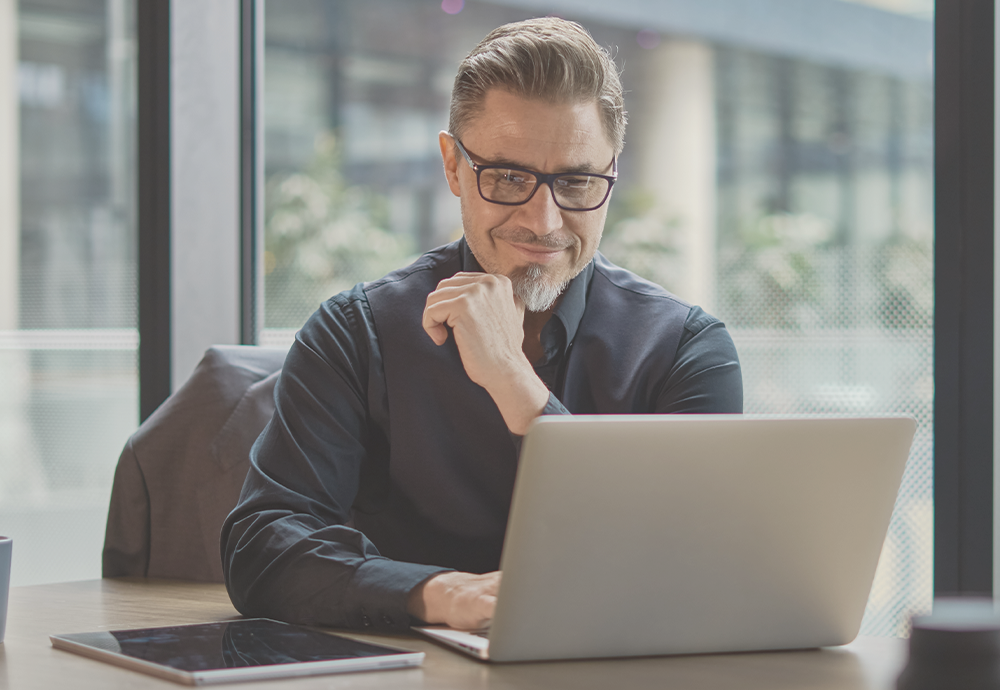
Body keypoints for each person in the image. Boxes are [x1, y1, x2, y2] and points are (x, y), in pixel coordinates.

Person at [222, 16, 742, 634]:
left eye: (576, 181)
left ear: (612, 175)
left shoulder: (688, 351)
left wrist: (514, 383)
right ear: (452, 167)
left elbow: (689, 566)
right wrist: (439, 595)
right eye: (508, 178)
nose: (544, 220)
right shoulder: (356, 332)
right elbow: (263, 547)